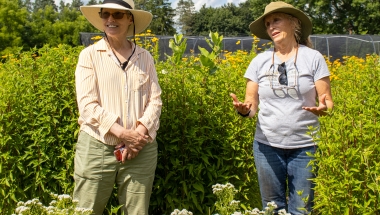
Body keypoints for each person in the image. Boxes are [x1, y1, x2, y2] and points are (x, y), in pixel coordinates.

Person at [230, 1, 333, 214]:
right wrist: (243, 110)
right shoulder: (259, 61)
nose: (271, 27)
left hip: (306, 147)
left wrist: (324, 108)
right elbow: (251, 106)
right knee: (272, 208)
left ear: (293, 23)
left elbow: (327, 100)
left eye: (276, 20)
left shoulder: (313, 58)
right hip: (266, 147)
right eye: (268, 24)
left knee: (302, 209)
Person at [73, 0, 162, 214]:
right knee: (87, 209)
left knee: (137, 211)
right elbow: (86, 104)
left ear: (130, 18)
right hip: (97, 146)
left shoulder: (145, 57)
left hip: (140, 150)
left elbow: (155, 99)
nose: (110, 20)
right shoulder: (90, 56)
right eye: (105, 14)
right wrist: (123, 133)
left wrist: (138, 135)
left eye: (118, 15)